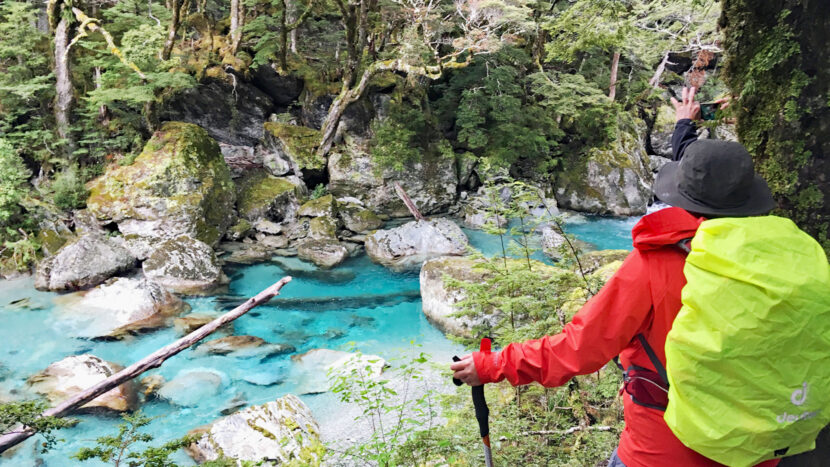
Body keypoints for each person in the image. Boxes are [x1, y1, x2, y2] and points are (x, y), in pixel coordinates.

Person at [450, 87, 780, 467]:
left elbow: (580, 349)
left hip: (666, 450)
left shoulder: (661, 263)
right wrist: (685, 126)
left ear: (682, 198)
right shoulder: (786, 258)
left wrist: (493, 365)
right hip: (761, 447)